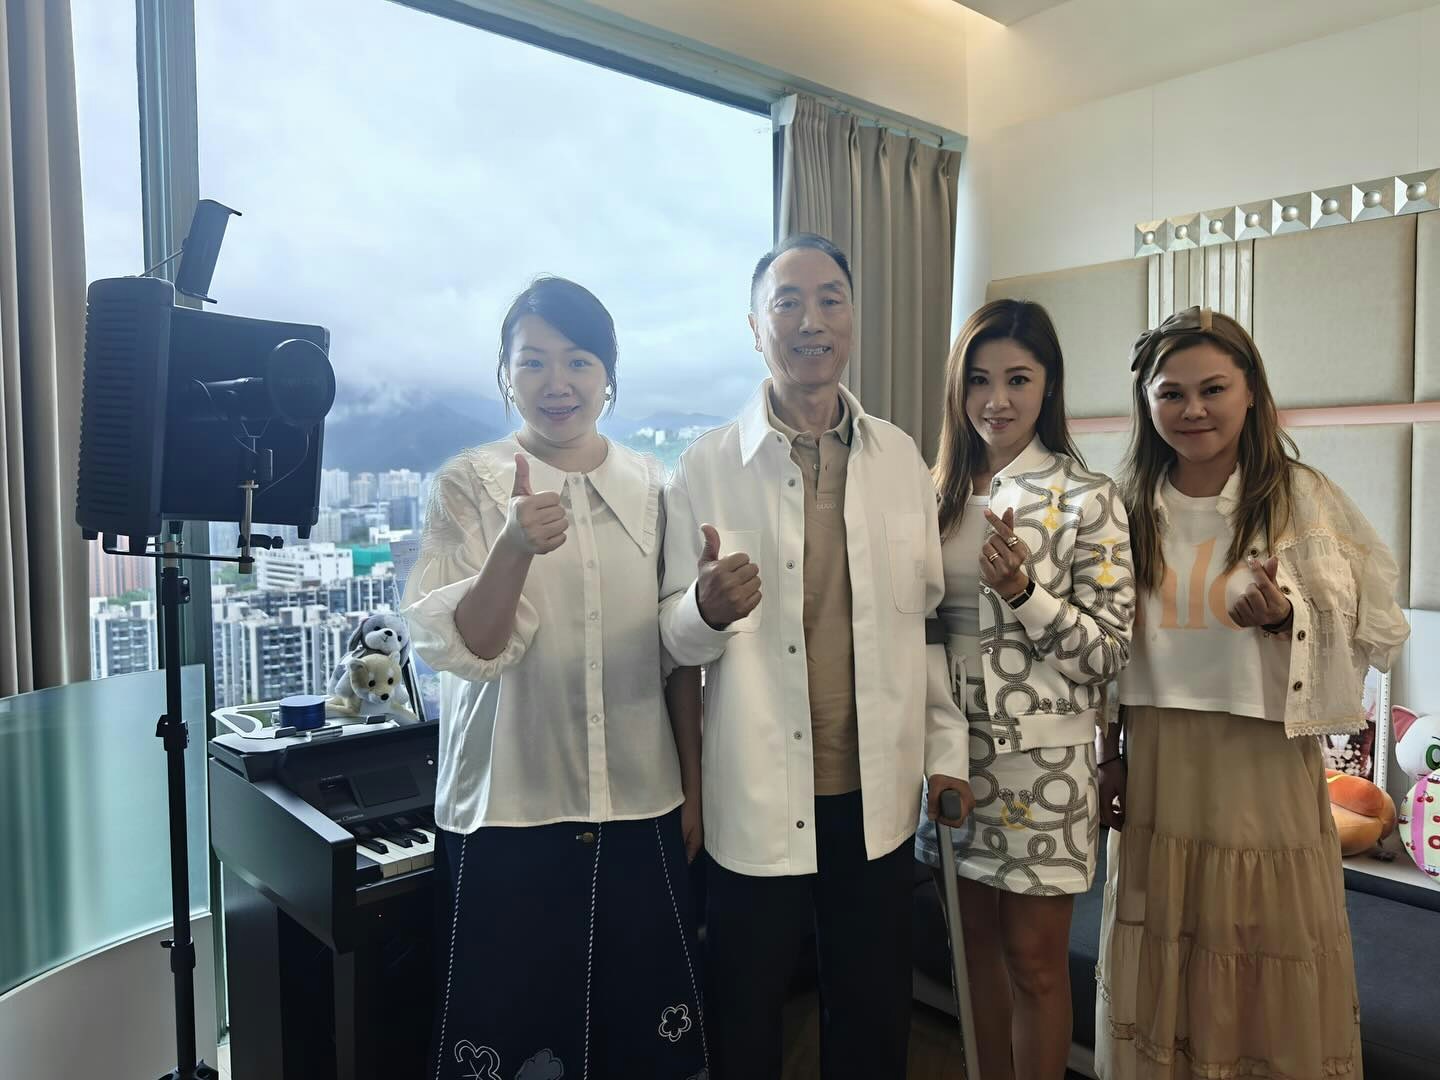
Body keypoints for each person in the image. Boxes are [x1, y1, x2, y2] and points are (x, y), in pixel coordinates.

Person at [659, 232, 972, 1080]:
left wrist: (945, 752)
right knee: (744, 1011)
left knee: (872, 1013)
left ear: (853, 318)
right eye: (788, 303)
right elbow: (671, 645)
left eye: (830, 299)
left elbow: (923, 625)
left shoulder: (899, 458)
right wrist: (703, 610)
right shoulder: (705, 467)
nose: (812, 321)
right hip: (754, 791)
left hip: (876, 795)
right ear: (754, 327)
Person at [403, 277, 707, 1080]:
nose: (557, 382)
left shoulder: (655, 488)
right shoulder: (467, 484)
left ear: (608, 373)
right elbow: (470, 647)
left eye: (578, 360)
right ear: (506, 375)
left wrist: (693, 787)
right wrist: (512, 546)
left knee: (644, 1046)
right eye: (532, 361)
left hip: (641, 798)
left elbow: (673, 654)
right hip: (509, 805)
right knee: (508, 1043)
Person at [1095, 307, 1409, 1080]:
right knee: (1167, 939)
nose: (1193, 410)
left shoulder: (1302, 498)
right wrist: (1108, 756)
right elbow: (1104, 645)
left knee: (1261, 938)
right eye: (1172, 393)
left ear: (1250, 392)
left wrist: (1285, 613)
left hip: (1262, 757)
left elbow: (1376, 622)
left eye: (1213, 389)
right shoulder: (1124, 503)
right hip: (1160, 754)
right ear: (1146, 401)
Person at [915, 299, 1135, 1080]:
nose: (996, 400)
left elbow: (1108, 654)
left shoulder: (1087, 497)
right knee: (969, 957)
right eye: (978, 379)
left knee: (1036, 965)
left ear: (1049, 385)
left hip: (1044, 767)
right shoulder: (927, 494)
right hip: (947, 757)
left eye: (1017, 379)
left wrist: (1024, 594)